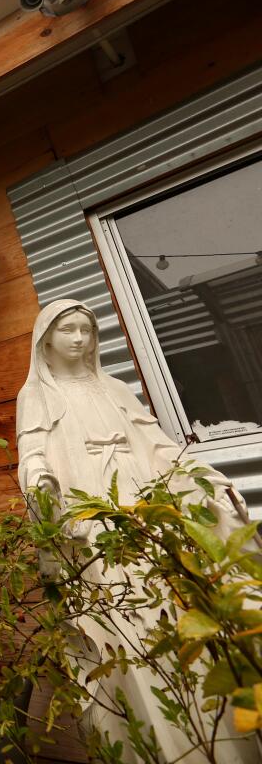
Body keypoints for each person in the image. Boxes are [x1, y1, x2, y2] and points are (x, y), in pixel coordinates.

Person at [16, 299, 260, 764]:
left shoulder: (114, 388)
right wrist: (38, 477)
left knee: (179, 607)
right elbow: (33, 449)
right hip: (93, 516)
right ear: (45, 337)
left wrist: (204, 477)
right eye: (67, 329)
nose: (79, 338)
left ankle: (218, 729)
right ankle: (162, 739)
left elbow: (158, 446)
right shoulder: (37, 395)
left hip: (146, 507)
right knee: (126, 621)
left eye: (86, 329)